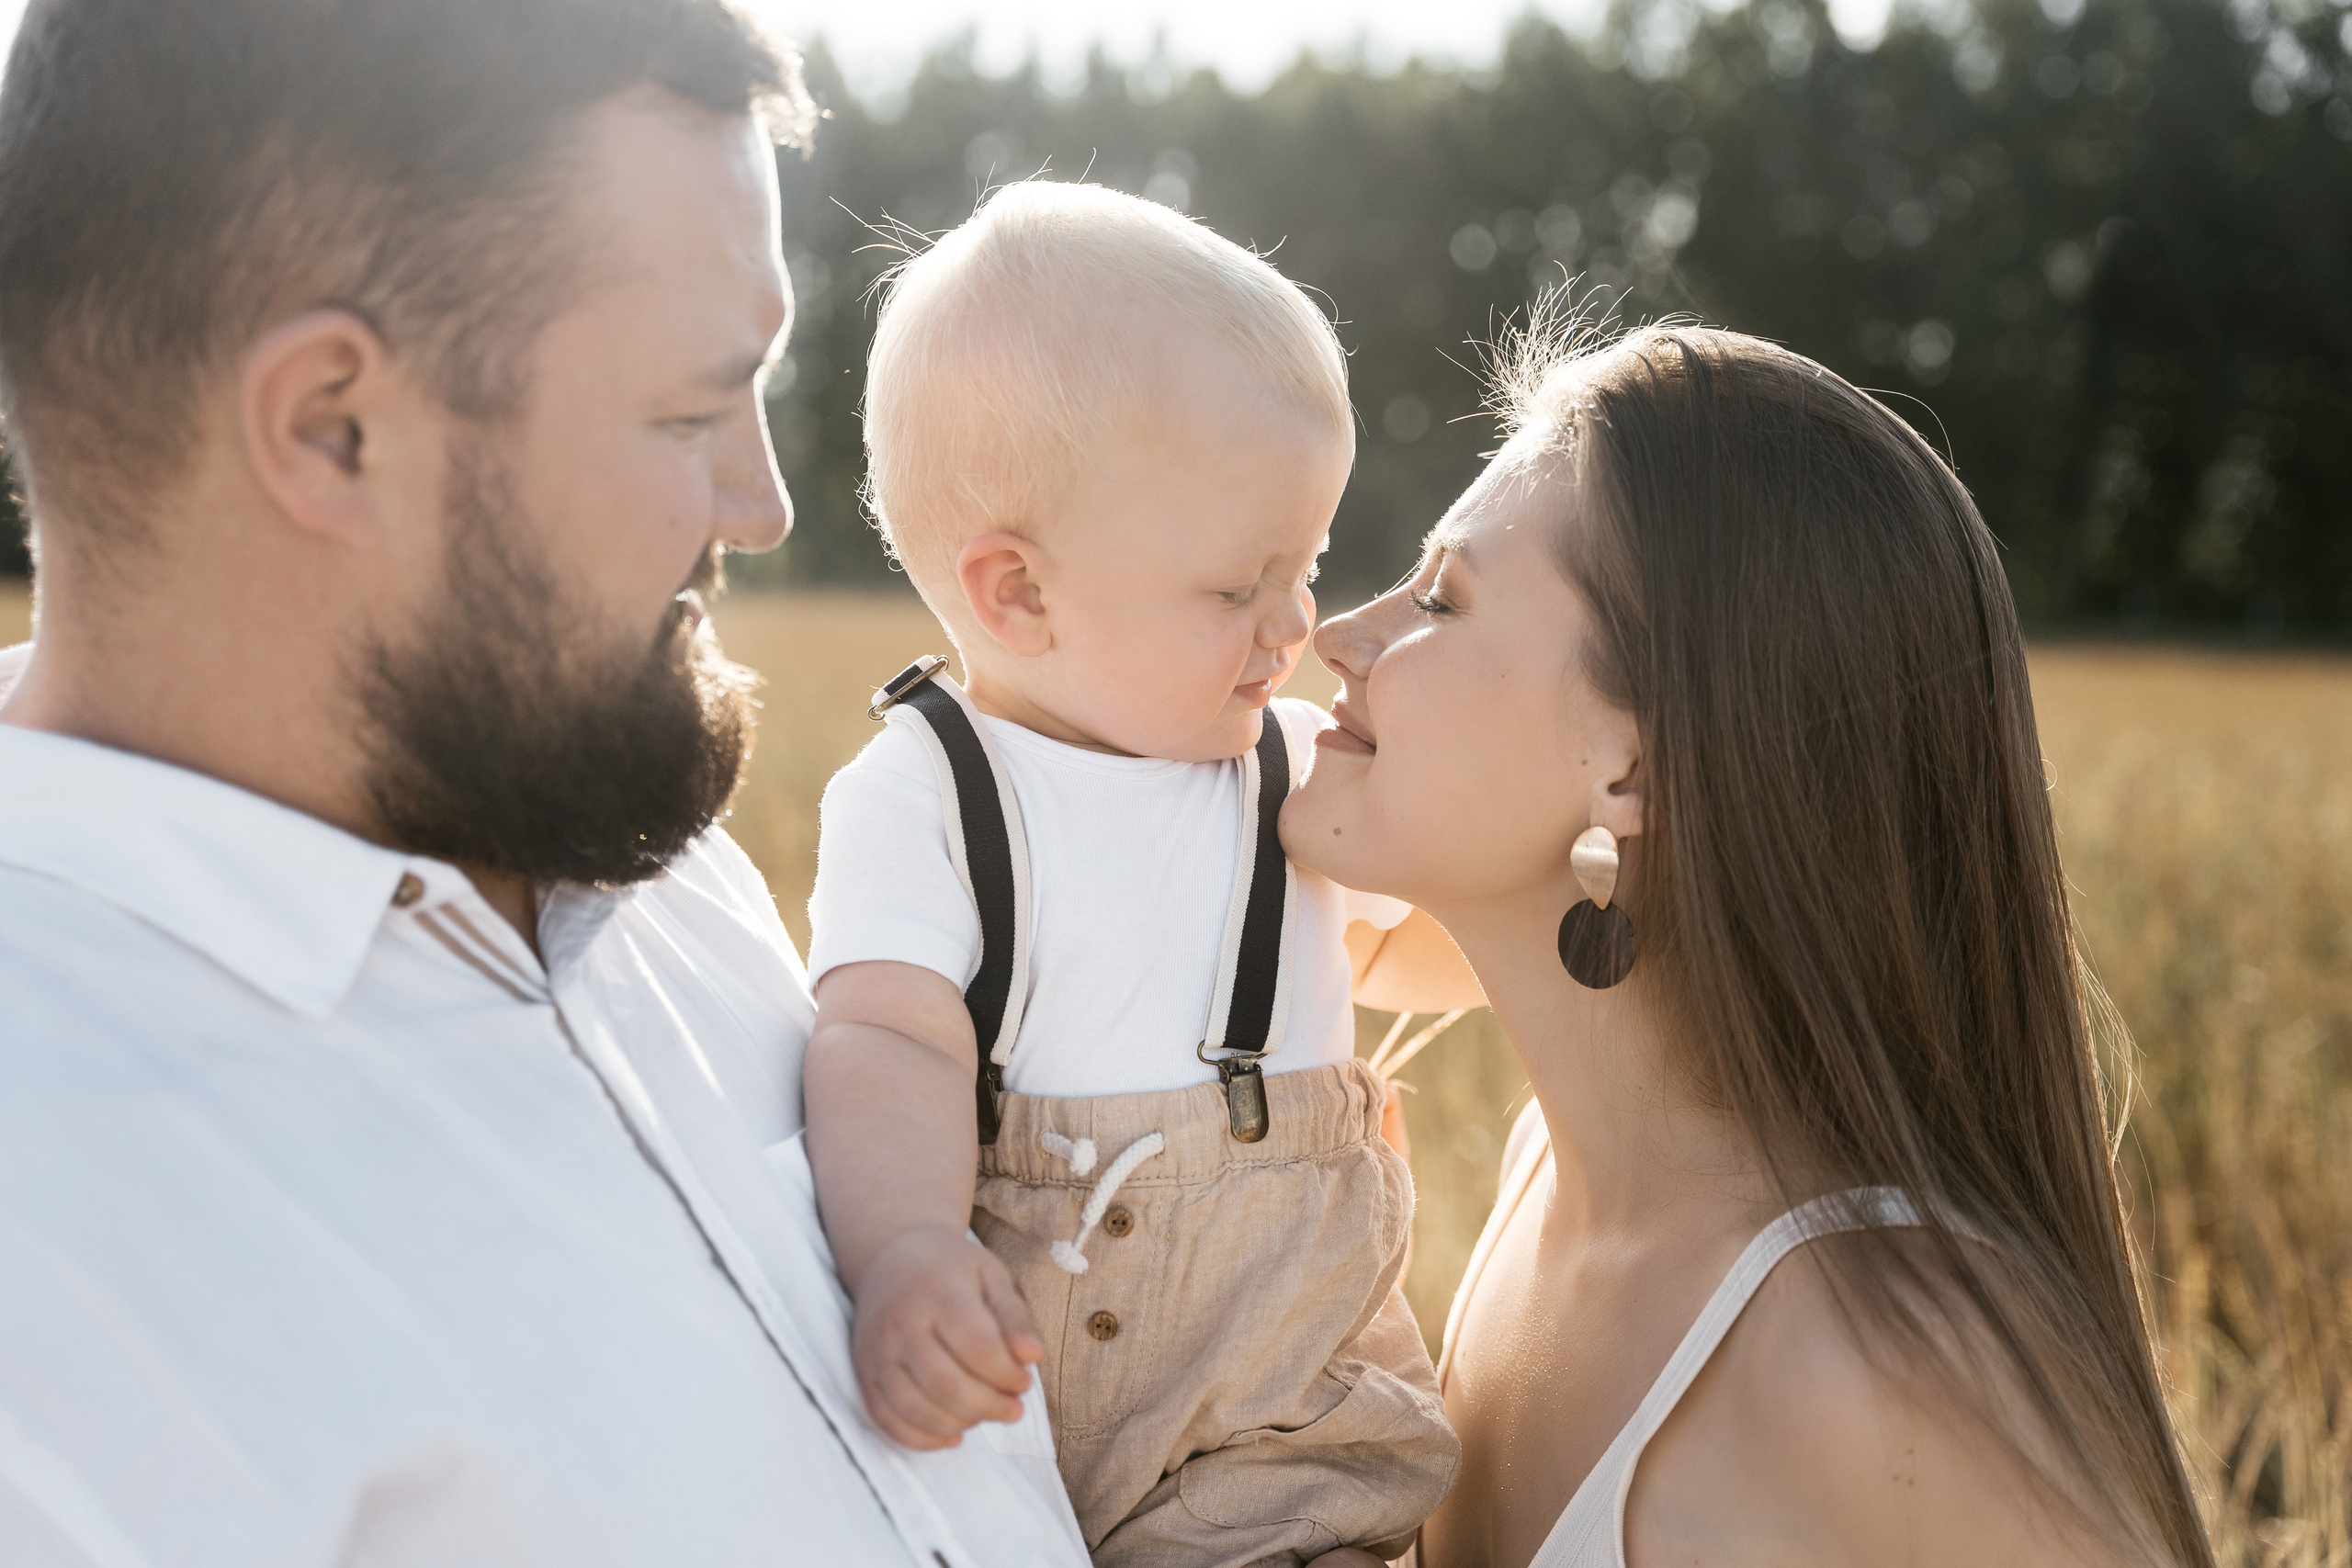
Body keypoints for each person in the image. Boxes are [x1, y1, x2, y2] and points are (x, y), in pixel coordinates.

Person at [0, 3, 1086, 1563]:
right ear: (331, 425)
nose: (763, 504)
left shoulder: (609, 818)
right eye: (690, 409)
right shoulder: (44, 1262)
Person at [1280, 314, 2216, 1567]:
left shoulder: (1890, 1369)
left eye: (1442, 597)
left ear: (1637, 764)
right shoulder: (1543, 1182)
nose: (1335, 636)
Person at [800, 180, 1467, 1568]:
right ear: (1019, 595)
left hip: (1288, 1413)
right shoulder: (930, 788)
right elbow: (888, 1039)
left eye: (1315, 561)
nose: (1300, 621)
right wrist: (910, 1244)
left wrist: (1598, 917)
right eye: (1240, 585)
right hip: (1031, 1388)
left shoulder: (1286, 767)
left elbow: (1398, 953)